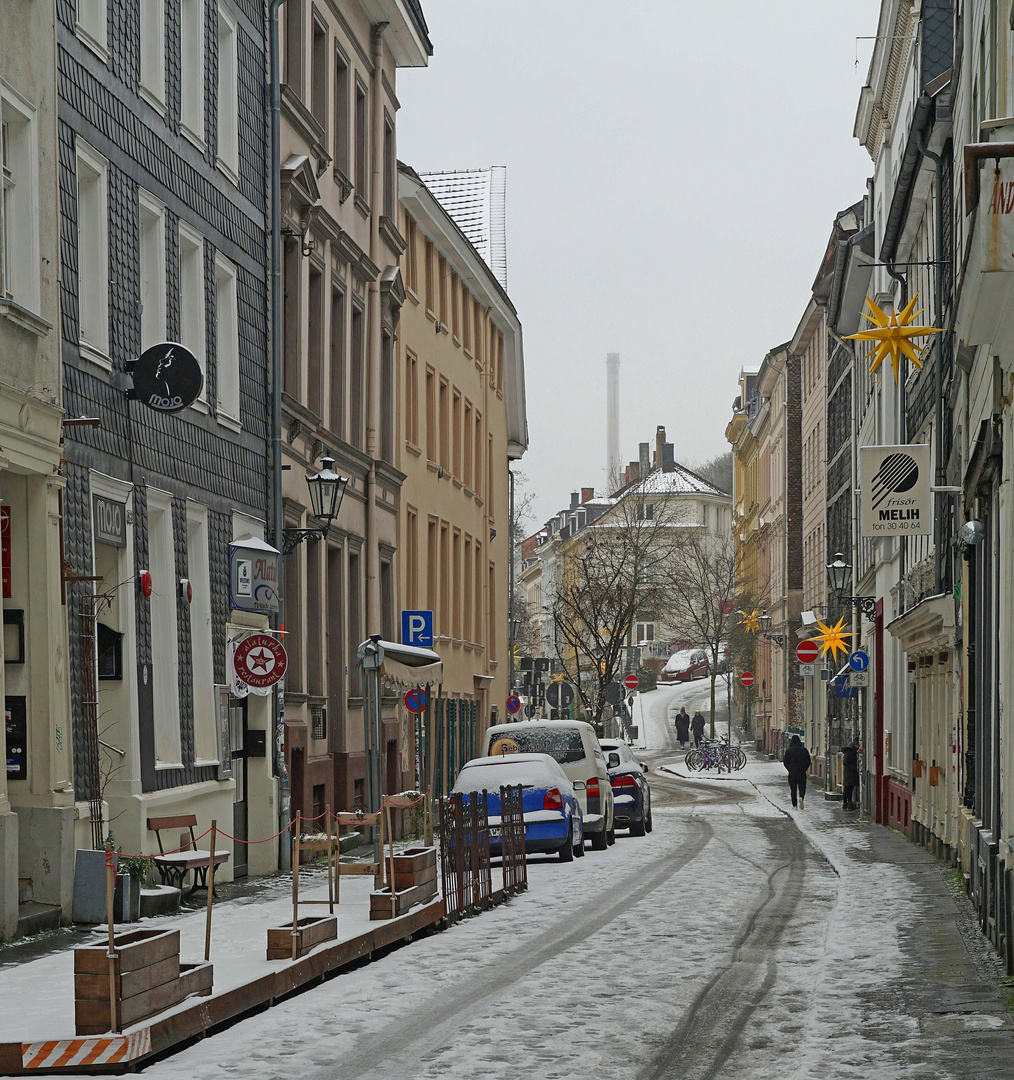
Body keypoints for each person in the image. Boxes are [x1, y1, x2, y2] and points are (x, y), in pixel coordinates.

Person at [783, 735, 812, 809]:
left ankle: (794, 804)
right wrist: (804, 769)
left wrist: (790, 769)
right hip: (801, 773)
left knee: (793, 789)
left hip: (792, 773)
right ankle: (801, 797)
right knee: (802, 788)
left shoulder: (789, 751)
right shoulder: (804, 750)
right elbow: (808, 761)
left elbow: (785, 762)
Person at [841, 739, 860, 810]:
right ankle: (846, 803)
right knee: (847, 788)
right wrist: (853, 768)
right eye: (857, 745)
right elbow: (845, 762)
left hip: (851, 773)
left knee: (850, 788)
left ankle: (849, 802)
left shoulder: (852, 751)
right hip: (849, 773)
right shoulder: (849, 751)